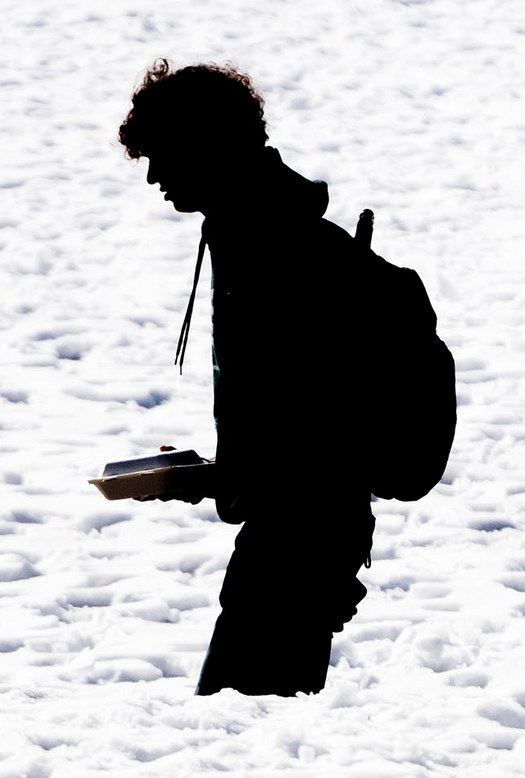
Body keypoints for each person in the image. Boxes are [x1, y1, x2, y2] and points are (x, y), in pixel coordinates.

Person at [120, 61, 375, 696]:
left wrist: (328, 553)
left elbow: (321, 427)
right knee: (243, 730)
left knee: (241, 731)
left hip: (298, 545)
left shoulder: (277, 251)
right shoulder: (255, 235)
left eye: (162, 155)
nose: (153, 176)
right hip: (294, 537)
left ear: (206, 145)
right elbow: (290, 419)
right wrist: (213, 474)